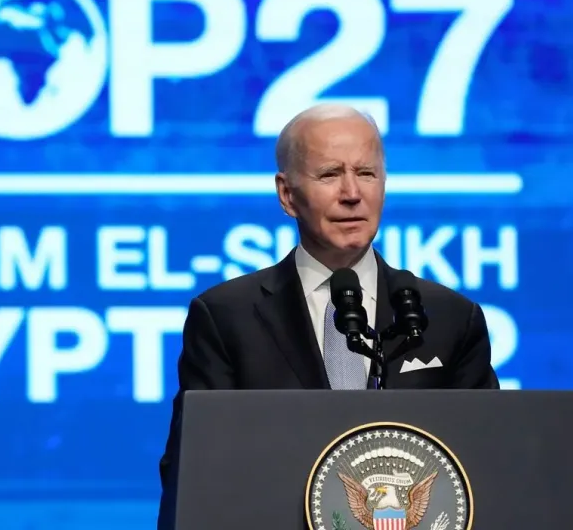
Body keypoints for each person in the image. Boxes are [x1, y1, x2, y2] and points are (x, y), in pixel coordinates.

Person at [156, 104, 498, 529]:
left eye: (366, 173)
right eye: (330, 174)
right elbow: (192, 473)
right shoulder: (226, 317)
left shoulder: (449, 317)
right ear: (287, 195)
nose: (352, 193)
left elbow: (489, 466)